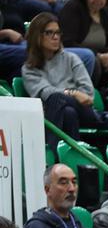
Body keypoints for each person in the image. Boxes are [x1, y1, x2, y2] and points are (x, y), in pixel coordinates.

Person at [21, 13, 98, 151]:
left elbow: (88, 95)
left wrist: (71, 96)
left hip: (84, 110)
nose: (55, 37)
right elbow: (45, 93)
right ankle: (73, 156)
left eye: (57, 33)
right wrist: (72, 93)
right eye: (49, 33)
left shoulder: (71, 58)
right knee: (67, 112)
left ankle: (48, 151)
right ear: (37, 36)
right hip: (58, 111)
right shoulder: (29, 69)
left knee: (58, 100)